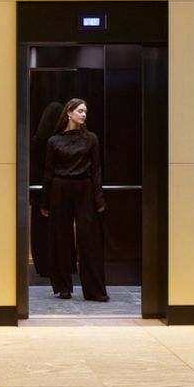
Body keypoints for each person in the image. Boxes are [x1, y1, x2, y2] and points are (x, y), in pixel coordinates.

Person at [41, 98, 108, 302]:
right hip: (60, 189)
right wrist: (45, 202)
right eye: (80, 111)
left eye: (85, 111)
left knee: (89, 239)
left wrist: (99, 198)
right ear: (68, 113)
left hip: (85, 188)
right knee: (61, 237)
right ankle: (63, 287)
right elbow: (48, 173)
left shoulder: (91, 139)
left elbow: (96, 170)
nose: (83, 114)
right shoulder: (54, 141)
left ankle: (95, 290)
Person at [28, 100, 66, 294]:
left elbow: (35, 169)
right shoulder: (62, 140)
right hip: (58, 190)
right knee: (60, 230)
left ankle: (42, 265)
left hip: (39, 191)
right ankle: (61, 265)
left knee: (40, 229)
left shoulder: (37, 141)